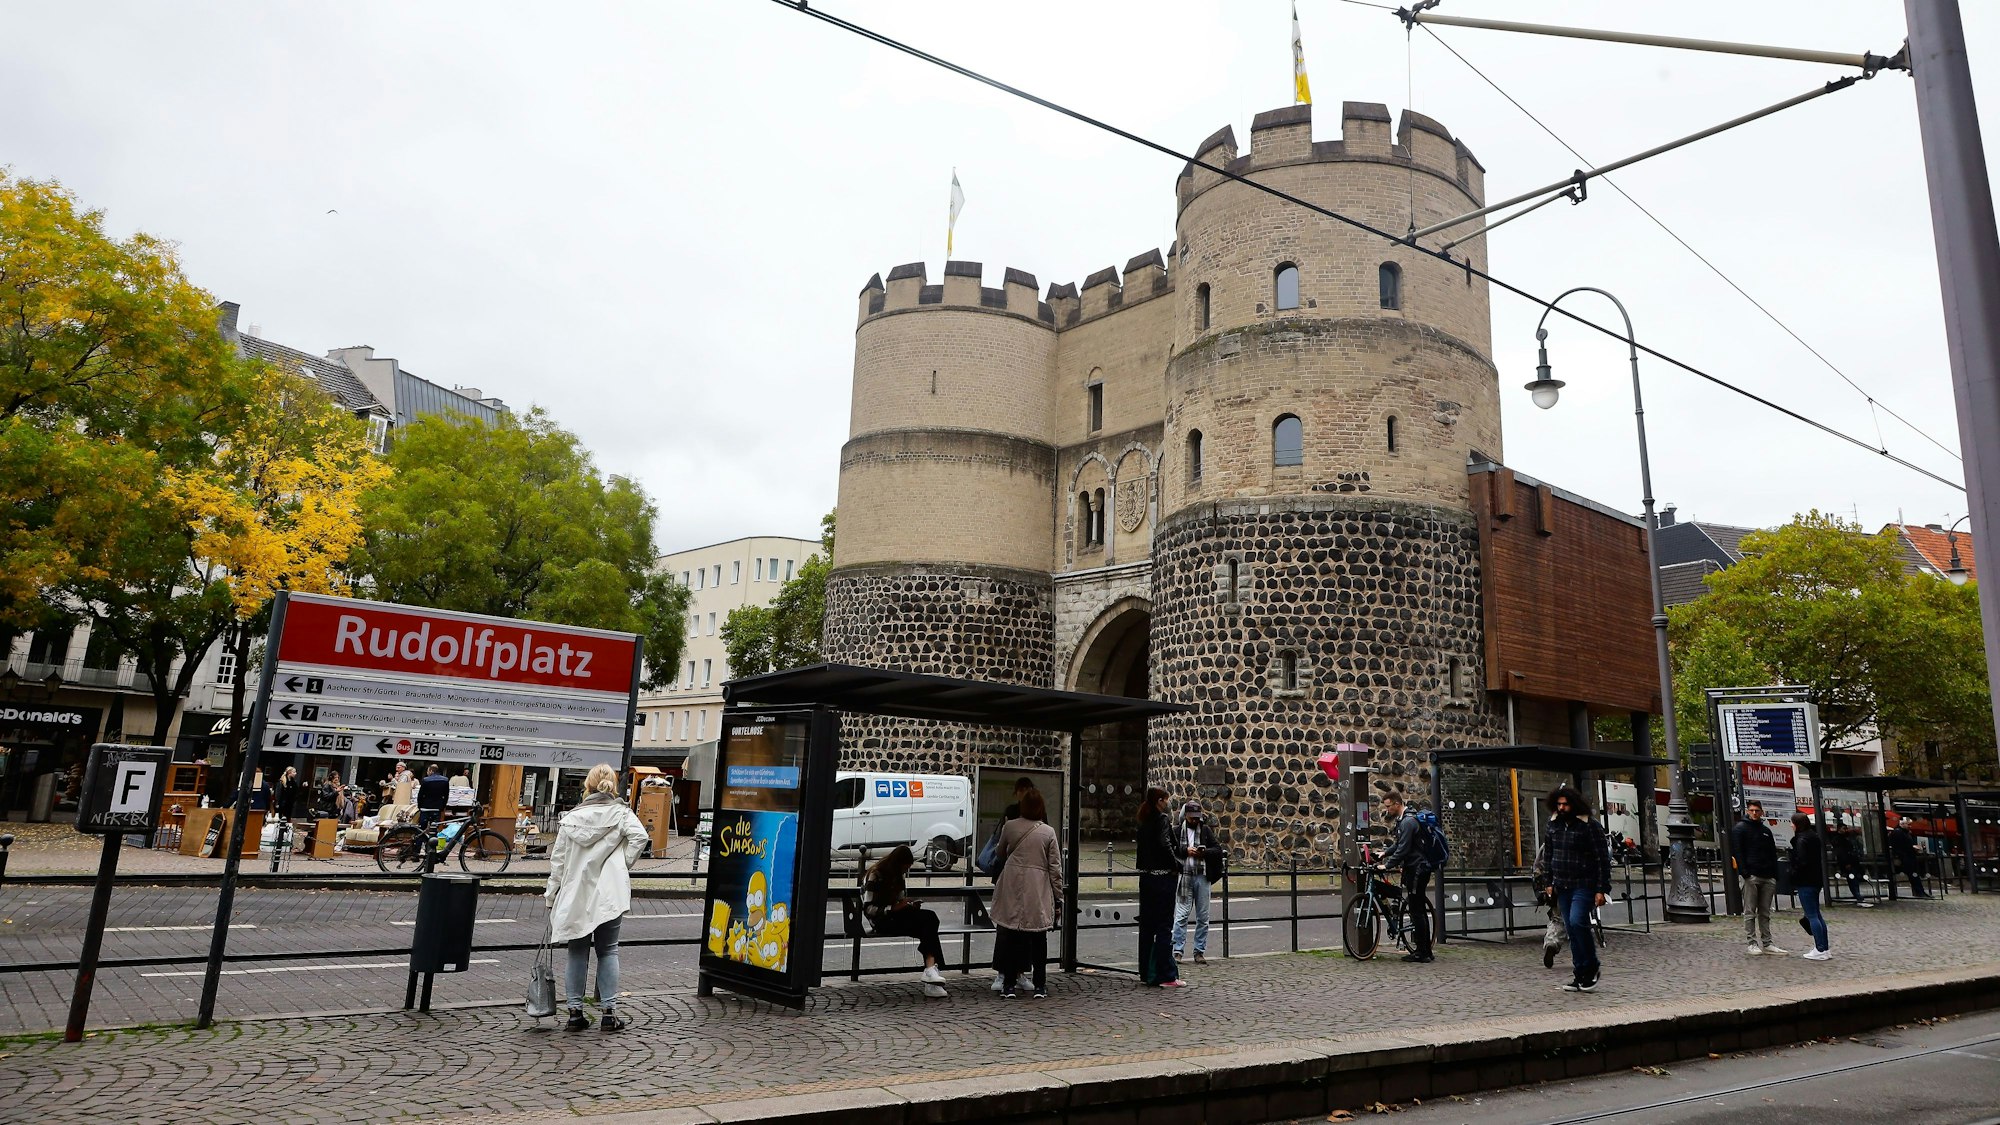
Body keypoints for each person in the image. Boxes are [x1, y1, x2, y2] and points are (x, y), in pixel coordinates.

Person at [545, 763, 649, 1032]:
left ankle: (574, 1013)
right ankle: (608, 1014)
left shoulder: (570, 819)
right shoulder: (621, 814)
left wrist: (551, 895)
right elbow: (640, 837)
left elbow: (558, 862)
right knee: (608, 950)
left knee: (576, 951)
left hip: (576, 892)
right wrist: (622, 863)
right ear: (612, 784)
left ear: (587, 786)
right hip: (609, 893)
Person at [991, 787, 1063, 998]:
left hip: (1012, 883)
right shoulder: (1048, 832)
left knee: (1011, 936)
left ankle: (1009, 985)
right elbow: (1055, 868)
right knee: (1039, 938)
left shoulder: (1010, 826)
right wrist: (1058, 897)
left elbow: (1000, 852)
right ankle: (1040, 984)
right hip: (1037, 887)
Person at [1544, 786, 1612, 992]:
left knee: (1577, 922)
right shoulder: (1553, 825)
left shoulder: (1590, 826)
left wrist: (1602, 889)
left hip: (1584, 883)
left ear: (1574, 804)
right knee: (1571, 929)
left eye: (1565, 804)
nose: (1562, 808)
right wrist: (1548, 882)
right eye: (1559, 804)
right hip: (1562, 884)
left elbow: (1602, 859)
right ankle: (1580, 973)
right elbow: (1549, 855)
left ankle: (1591, 967)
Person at [864, 845, 948, 999]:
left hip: (896, 915)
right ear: (897, 864)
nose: (905, 871)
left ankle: (931, 970)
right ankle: (932, 973)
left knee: (930, 918)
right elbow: (868, 908)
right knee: (927, 927)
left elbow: (900, 900)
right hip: (881, 920)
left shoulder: (899, 876)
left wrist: (909, 906)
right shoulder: (876, 874)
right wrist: (892, 908)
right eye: (904, 868)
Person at [1374, 792, 1435, 964]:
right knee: (1419, 909)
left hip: (1417, 869)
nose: (1387, 810)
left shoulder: (1408, 822)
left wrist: (1387, 865)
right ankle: (1426, 951)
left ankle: (1422, 952)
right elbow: (1399, 844)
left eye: (1388, 806)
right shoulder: (1405, 820)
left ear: (1397, 804)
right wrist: (1385, 853)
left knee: (1416, 910)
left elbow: (1404, 849)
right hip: (1416, 868)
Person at [1136, 787, 1186, 988]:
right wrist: (1176, 864)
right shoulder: (1162, 819)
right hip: (1163, 877)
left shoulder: (1143, 819)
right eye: (1166, 799)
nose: (1167, 803)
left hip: (1146, 877)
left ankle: (1146, 971)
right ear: (1159, 800)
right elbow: (1165, 843)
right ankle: (1166, 974)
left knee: (1147, 926)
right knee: (1164, 925)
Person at [1730, 801, 1787, 956]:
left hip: (1767, 875)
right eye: (1752, 810)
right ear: (1747, 811)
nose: (1754, 813)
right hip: (1752, 875)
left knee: (1765, 912)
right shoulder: (1740, 829)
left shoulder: (1766, 831)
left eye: (1757, 810)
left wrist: (1774, 875)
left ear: (1762, 812)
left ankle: (1767, 942)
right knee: (1750, 911)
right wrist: (1745, 873)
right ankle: (1752, 942)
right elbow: (1737, 852)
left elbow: (1772, 853)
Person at [1171, 800, 1224, 965]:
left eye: (1197, 817)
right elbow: (1171, 850)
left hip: (1202, 876)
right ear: (1186, 816)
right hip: (1185, 877)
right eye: (1192, 817)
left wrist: (1204, 852)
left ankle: (1199, 951)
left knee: (1203, 916)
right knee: (1181, 916)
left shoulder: (1205, 831)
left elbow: (1217, 850)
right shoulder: (1177, 831)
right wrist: (1185, 851)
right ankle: (1177, 951)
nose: (1195, 820)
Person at [1790, 813, 1832, 960]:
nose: (1791, 825)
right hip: (1815, 879)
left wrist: (1793, 872)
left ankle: (1820, 949)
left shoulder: (1801, 839)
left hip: (1805, 880)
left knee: (1812, 915)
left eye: (1792, 823)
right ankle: (1824, 948)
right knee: (1816, 914)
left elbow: (1801, 861)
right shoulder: (1813, 837)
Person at [1887, 818, 1931, 898]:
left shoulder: (1902, 832)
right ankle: (1919, 892)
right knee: (1913, 875)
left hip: (1906, 856)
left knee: (1914, 875)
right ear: (1902, 824)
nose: (1909, 826)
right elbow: (1901, 846)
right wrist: (1912, 848)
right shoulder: (1900, 833)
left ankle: (1919, 892)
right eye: (1908, 824)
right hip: (1905, 857)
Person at [1828, 825, 1872, 907]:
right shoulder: (1841, 839)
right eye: (1844, 828)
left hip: (1850, 862)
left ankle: (1858, 896)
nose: (1846, 830)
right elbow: (1841, 852)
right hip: (1849, 862)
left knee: (1853, 879)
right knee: (1853, 879)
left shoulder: (1843, 838)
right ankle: (1858, 896)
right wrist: (1846, 862)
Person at [416, 764, 449, 828]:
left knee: (422, 827)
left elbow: (420, 795)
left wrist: (419, 806)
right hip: (437, 807)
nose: (427, 773)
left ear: (431, 771)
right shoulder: (445, 780)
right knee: (435, 827)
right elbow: (446, 795)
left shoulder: (426, 780)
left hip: (425, 807)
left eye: (427, 771)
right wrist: (442, 807)